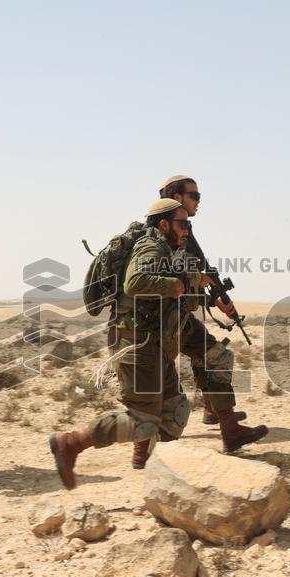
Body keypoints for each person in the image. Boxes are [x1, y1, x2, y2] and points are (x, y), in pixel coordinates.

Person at [50, 198, 204, 489]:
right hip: (136, 343)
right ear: (164, 224)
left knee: (174, 411)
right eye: (183, 224)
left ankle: (167, 480)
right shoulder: (151, 245)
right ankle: (70, 442)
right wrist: (173, 285)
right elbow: (135, 282)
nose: (187, 229)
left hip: (154, 343)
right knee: (143, 420)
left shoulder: (167, 249)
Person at [126, 174, 266, 468]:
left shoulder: (180, 231)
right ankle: (137, 450)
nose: (198, 201)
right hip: (154, 321)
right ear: (177, 198)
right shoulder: (157, 236)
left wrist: (212, 297)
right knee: (156, 390)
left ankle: (226, 425)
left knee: (214, 354)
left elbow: (188, 275)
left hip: (176, 314)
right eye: (194, 195)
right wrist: (203, 289)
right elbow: (155, 279)